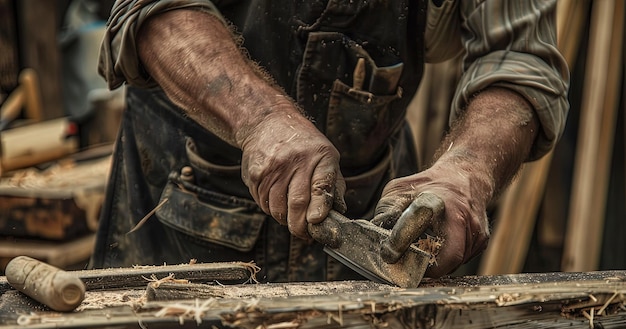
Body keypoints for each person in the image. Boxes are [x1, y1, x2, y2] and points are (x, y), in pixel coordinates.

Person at [92, 0, 569, 281]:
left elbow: (520, 58)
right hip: (182, 210)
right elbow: (149, 11)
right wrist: (261, 119)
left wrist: (466, 172)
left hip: (369, 212)